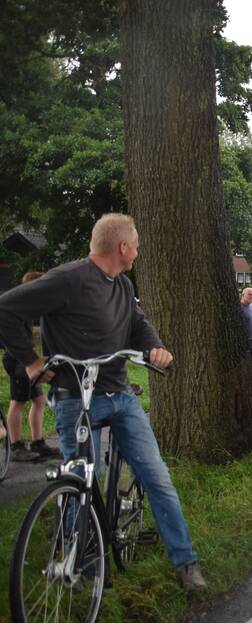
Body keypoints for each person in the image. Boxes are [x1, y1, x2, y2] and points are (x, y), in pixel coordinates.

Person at [0, 213, 207, 592]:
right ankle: (83, 564)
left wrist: (156, 348)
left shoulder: (123, 286)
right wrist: (32, 362)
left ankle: (186, 563)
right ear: (123, 247)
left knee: (158, 479)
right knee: (78, 483)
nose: (138, 251)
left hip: (121, 397)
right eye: (137, 245)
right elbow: (7, 309)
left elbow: (138, 323)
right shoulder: (67, 279)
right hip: (76, 401)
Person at [3, 271, 62, 462]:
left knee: (39, 401)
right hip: (16, 360)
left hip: (27, 360)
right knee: (17, 402)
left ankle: (38, 443)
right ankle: (16, 446)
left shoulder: (29, 308)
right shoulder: (17, 307)